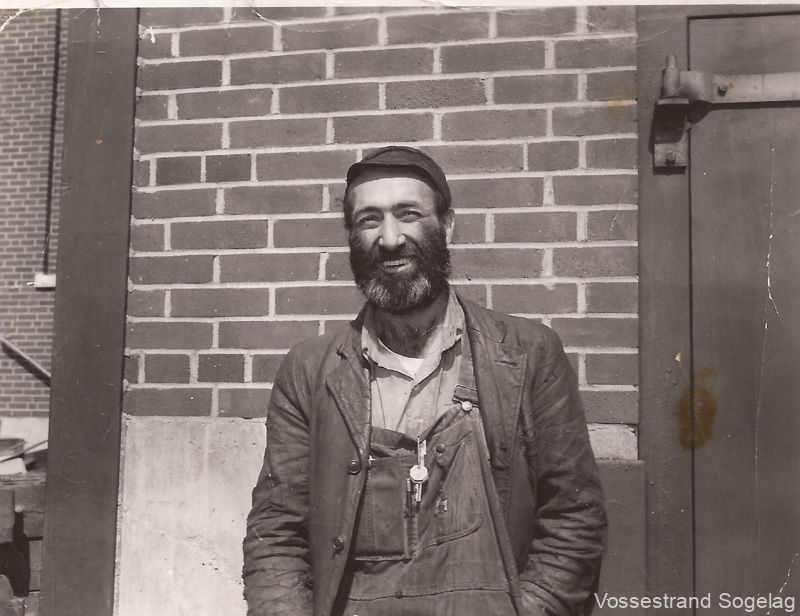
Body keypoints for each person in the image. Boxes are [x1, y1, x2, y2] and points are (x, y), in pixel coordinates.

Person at [242, 146, 606, 616]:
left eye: (408, 214)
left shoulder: (528, 353)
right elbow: (276, 533)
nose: (390, 239)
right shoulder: (309, 371)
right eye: (369, 220)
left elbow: (573, 518)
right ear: (351, 236)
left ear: (447, 225)